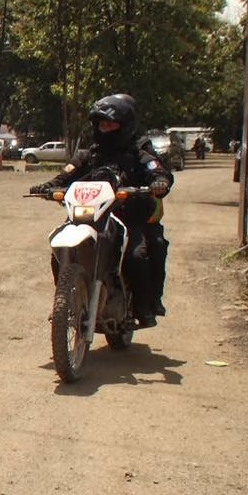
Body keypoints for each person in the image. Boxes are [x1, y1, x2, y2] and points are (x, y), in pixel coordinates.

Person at [30, 94, 172, 327]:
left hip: (127, 216)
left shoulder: (139, 151)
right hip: (90, 215)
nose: (105, 129)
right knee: (61, 250)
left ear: (125, 125)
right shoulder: (90, 154)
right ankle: (65, 301)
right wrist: (48, 187)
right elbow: (66, 174)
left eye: (110, 124)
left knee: (137, 255)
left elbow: (156, 170)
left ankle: (145, 306)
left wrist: (159, 182)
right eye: (101, 124)